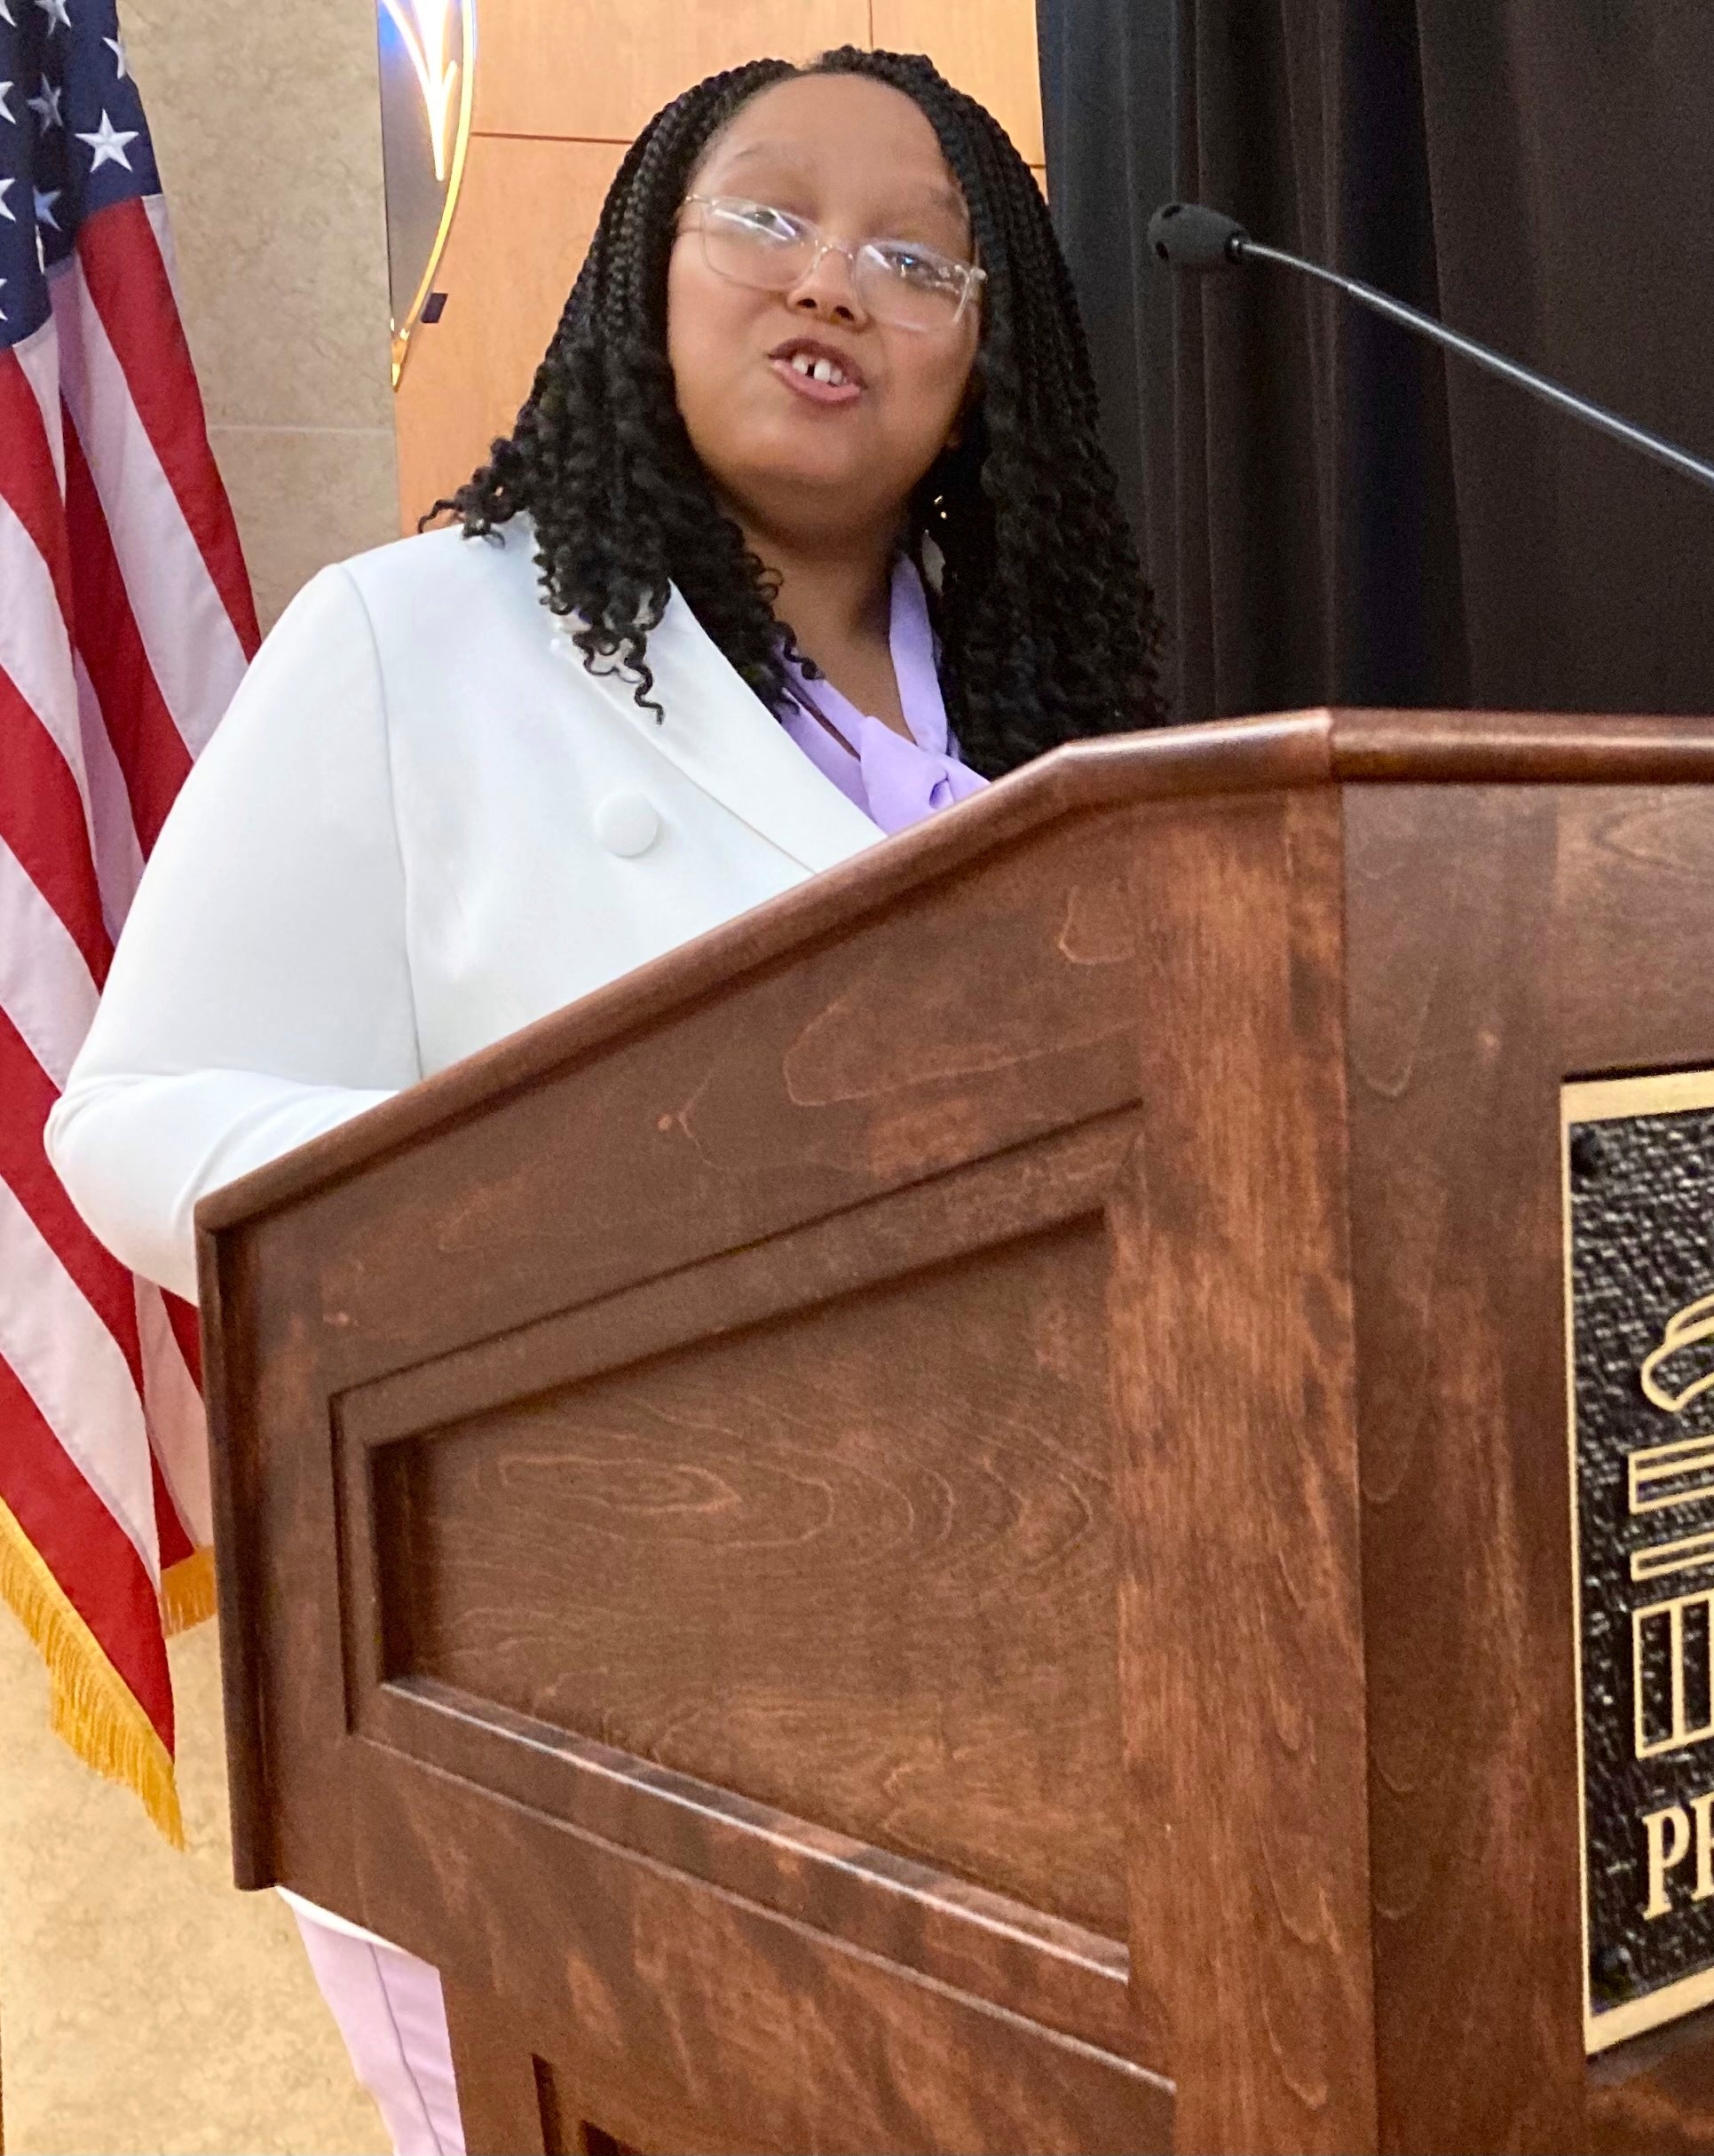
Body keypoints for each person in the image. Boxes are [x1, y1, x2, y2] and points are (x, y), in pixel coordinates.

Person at [44, 48, 1156, 2156]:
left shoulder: (1057, 734)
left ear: (987, 361)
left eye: (922, 260)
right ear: (647, 265)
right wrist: (561, 1224)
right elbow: (142, 1108)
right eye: (766, 218)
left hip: (993, 1695)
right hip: (541, 1672)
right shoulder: (421, 642)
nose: (833, 282)